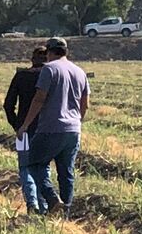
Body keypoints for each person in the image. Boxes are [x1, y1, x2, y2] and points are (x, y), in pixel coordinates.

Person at [17, 37, 90, 219]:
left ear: (49, 52)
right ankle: (65, 214)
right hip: (73, 130)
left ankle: (51, 198)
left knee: (33, 164)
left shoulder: (49, 69)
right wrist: (77, 121)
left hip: (50, 128)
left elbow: (40, 98)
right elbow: (85, 104)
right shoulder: (80, 72)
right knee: (66, 172)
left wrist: (25, 125)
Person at [3, 46, 49, 214]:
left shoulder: (21, 76)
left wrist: (16, 125)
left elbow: (8, 105)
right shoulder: (51, 77)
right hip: (46, 131)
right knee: (43, 168)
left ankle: (32, 202)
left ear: (32, 59)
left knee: (25, 167)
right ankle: (43, 206)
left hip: (23, 131)